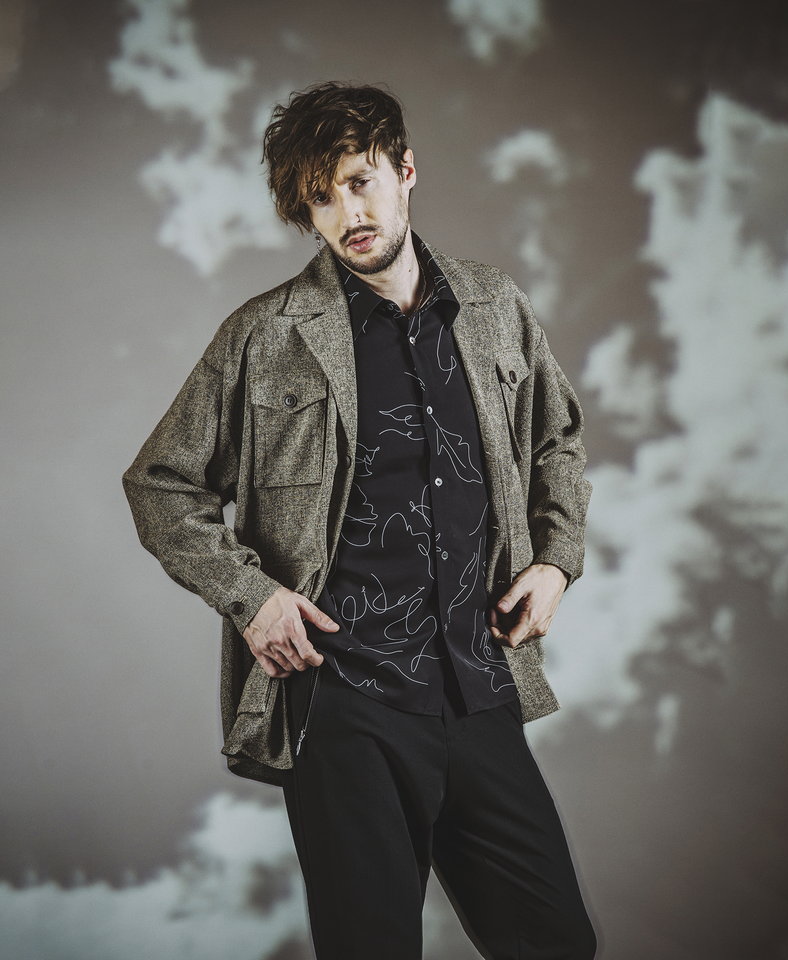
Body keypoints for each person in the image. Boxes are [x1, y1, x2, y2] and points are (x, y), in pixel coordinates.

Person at [122, 80, 596, 960]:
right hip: (343, 705)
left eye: (360, 181)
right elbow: (160, 483)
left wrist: (556, 560)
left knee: (556, 942)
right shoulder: (266, 335)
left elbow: (557, 439)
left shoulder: (494, 306)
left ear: (406, 170)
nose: (349, 215)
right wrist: (252, 597)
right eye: (321, 199)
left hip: (478, 685)